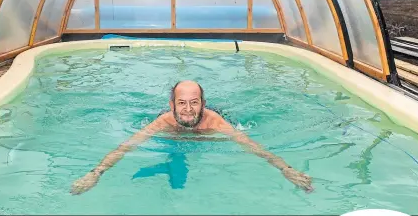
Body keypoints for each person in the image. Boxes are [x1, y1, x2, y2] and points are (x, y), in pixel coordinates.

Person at [71, 80, 313, 194]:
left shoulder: (215, 122)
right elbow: (125, 148)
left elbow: (254, 148)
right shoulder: (163, 121)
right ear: (172, 104)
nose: (188, 109)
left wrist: (286, 169)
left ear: (203, 104)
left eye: (194, 103)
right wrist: (96, 173)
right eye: (182, 103)